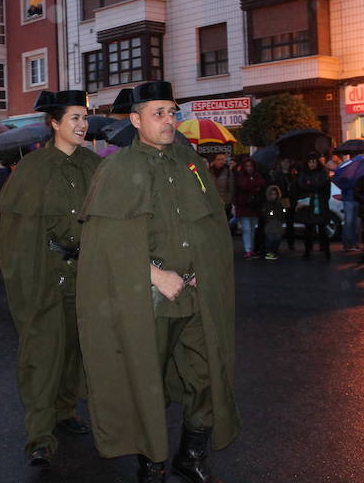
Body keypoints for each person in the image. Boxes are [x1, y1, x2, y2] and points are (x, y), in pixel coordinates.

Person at [77, 81, 239, 483]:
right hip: (147, 298)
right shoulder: (117, 168)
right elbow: (106, 242)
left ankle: (190, 453)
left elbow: (209, 225)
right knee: (145, 380)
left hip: (194, 293)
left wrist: (205, 263)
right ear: (136, 120)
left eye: (172, 112)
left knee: (204, 374)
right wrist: (152, 273)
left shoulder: (190, 163)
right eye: (159, 113)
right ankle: (151, 464)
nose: (169, 121)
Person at [0, 90, 102, 467]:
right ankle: (39, 434)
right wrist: (25, 282)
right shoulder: (33, 168)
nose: (82, 124)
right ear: (54, 123)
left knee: (75, 348)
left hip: (84, 275)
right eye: (74, 117)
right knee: (41, 355)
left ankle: (65, 411)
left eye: (84, 117)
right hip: (45, 274)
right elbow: (14, 236)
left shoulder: (95, 164)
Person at [296, 152, 331, 260]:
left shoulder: (322, 173)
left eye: (314, 162)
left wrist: (311, 184)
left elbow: (323, 185)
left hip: (320, 203)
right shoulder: (304, 173)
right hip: (309, 205)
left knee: (322, 229)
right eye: (310, 162)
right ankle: (307, 251)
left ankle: (326, 251)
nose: (312, 164)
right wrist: (312, 185)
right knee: (308, 229)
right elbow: (301, 185)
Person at [232, 158, 266, 259]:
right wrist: (254, 186)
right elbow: (243, 186)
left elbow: (262, 184)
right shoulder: (241, 176)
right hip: (244, 206)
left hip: (254, 206)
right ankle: (248, 249)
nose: (249, 168)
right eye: (247, 166)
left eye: (250, 166)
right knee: (247, 229)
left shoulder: (256, 176)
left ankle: (250, 249)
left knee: (251, 229)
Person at [261, 185, 287, 260]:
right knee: (270, 238)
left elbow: (283, 212)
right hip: (270, 223)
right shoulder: (267, 204)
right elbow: (266, 214)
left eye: (275, 194)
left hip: (278, 223)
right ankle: (269, 252)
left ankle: (273, 251)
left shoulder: (280, 204)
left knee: (277, 238)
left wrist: (282, 216)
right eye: (272, 194)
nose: (273, 196)